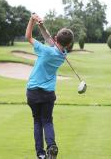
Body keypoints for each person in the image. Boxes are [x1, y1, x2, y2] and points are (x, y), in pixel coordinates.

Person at [25, 13, 74, 159]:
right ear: (69, 44)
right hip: (48, 94)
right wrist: (41, 26)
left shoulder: (45, 50)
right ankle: (51, 146)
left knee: (37, 121)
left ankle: (40, 154)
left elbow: (28, 37)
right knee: (47, 121)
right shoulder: (63, 54)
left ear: (56, 38)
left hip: (33, 92)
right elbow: (49, 38)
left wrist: (32, 20)